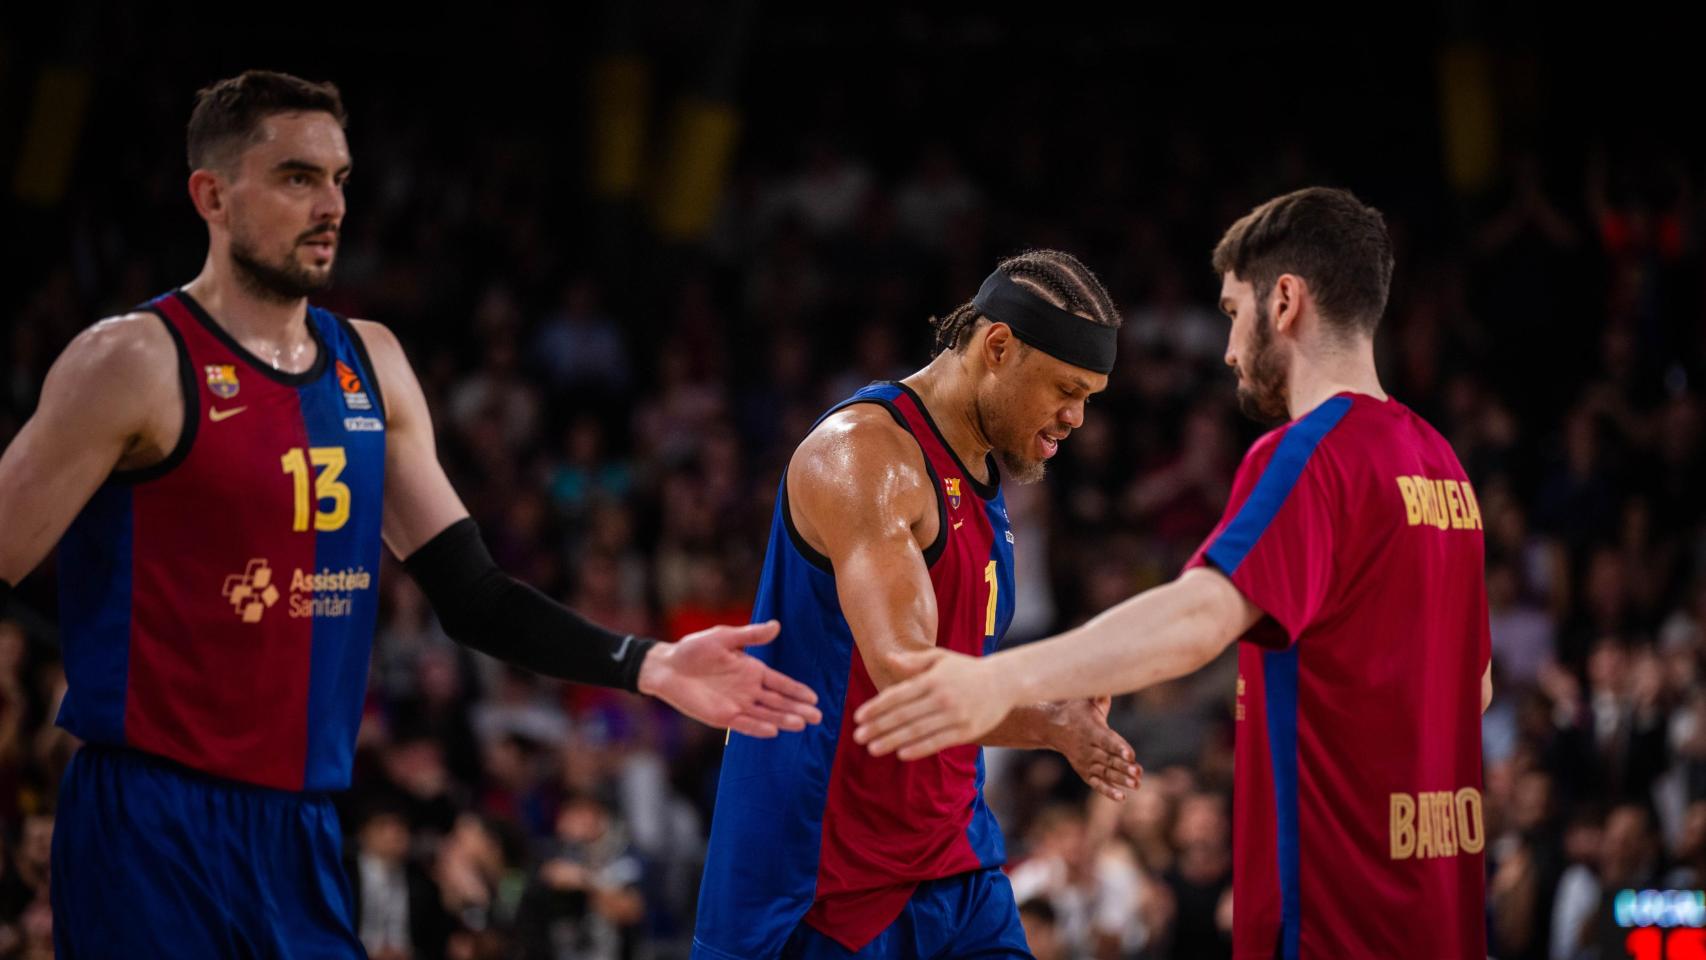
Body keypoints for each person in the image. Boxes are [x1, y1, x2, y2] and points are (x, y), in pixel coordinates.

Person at [0, 69, 820, 958]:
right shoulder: (129, 361)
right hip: (146, 823)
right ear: (212, 196)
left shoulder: (371, 364)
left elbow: (473, 595)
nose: (331, 205)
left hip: (303, 826)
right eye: (296, 177)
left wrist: (649, 663)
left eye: (340, 179)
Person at [855, 188, 1494, 959]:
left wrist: (997, 682)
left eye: (1232, 311)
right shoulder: (1441, 466)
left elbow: (1198, 618)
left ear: (1284, 301)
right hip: (1443, 915)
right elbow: (1474, 686)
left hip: (1337, 920)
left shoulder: (1309, 454)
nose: (1227, 349)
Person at [693, 251, 1142, 960]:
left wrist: (1053, 725)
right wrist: (1071, 668)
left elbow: (951, 696)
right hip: (827, 886)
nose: (1077, 418)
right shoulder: (865, 457)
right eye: (1065, 388)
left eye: (1090, 396)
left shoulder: (986, 479)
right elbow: (910, 674)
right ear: (997, 347)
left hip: (955, 861)